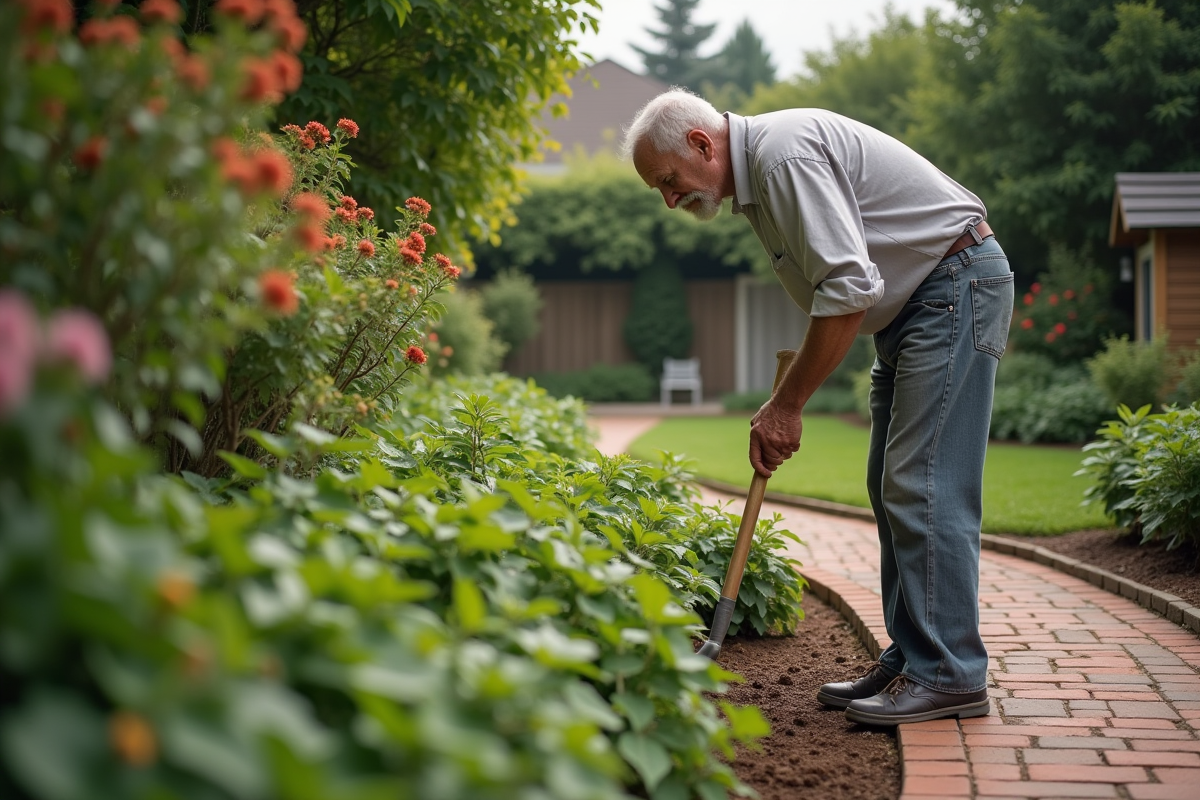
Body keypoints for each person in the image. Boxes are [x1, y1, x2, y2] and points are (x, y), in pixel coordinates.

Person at [621, 89, 1014, 726]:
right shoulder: (758, 177)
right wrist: (788, 399)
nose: (669, 200)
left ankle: (950, 674)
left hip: (952, 286)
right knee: (892, 485)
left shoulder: (780, 158)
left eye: (668, 181)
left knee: (926, 484)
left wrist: (786, 406)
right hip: (919, 305)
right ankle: (916, 654)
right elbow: (844, 286)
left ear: (700, 143)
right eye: (659, 191)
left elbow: (849, 287)